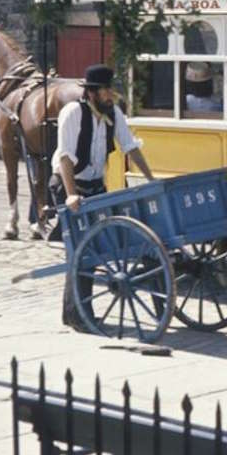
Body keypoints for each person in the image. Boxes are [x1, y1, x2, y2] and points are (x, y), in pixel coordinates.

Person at [51, 63, 156, 327]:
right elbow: (65, 157)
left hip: (96, 185)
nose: (111, 96)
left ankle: (74, 313)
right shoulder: (73, 113)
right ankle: (77, 316)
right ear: (92, 93)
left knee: (95, 245)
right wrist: (72, 195)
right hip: (69, 184)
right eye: (106, 91)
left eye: (111, 90)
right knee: (81, 249)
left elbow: (130, 147)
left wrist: (151, 179)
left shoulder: (114, 114)